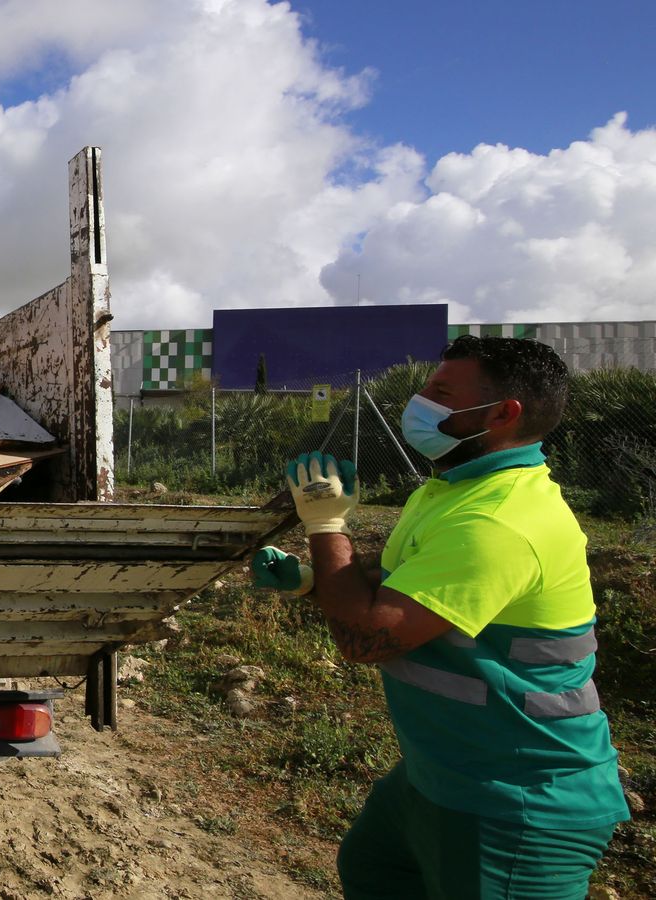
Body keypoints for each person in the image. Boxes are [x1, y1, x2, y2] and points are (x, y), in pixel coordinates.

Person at [251, 335, 629, 899]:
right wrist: (311, 582)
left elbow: (369, 637)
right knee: (373, 870)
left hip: (515, 797)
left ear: (503, 414)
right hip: (441, 773)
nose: (419, 399)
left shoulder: (499, 521)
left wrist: (326, 527)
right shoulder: (453, 492)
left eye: (440, 391)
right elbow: (399, 590)